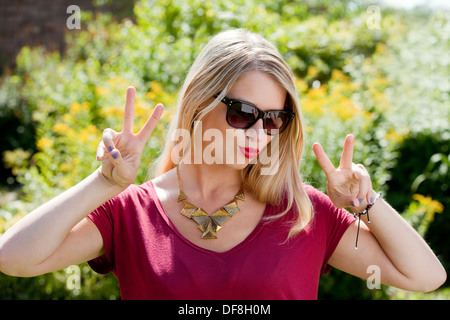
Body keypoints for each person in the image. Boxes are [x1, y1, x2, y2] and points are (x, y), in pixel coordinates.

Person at [0, 29, 445, 299]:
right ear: (198, 105)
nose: (259, 133)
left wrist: (365, 202)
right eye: (243, 114)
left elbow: (425, 277)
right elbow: (13, 258)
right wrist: (103, 182)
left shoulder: (303, 213)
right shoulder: (129, 213)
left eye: (274, 119)